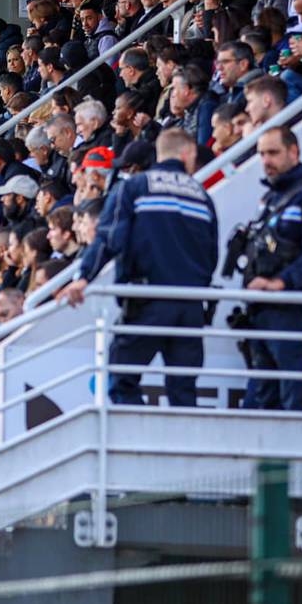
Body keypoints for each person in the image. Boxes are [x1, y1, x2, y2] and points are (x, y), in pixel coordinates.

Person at [61, 128, 218, 406]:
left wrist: (83, 277)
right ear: (188, 153)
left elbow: (109, 236)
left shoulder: (135, 187)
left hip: (147, 301)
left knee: (119, 380)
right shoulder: (201, 196)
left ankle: (140, 446)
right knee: (184, 392)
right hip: (191, 307)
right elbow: (211, 255)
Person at [234, 127, 302, 412]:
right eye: (262, 154)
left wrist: (280, 283)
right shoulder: (269, 200)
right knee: (259, 406)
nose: (266, 160)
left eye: (273, 153)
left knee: (298, 403)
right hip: (261, 314)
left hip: (294, 313)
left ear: (294, 152)